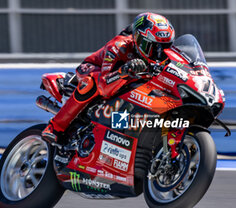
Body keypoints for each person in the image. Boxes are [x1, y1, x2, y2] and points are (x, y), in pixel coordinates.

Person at [42, 12, 175, 143]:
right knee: (91, 82)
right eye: (153, 47)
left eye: (164, 47)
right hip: (97, 70)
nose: (159, 53)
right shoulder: (118, 47)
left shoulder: (163, 58)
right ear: (139, 39)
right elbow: (104, 86)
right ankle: (55, 126)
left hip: (128, 83)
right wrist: (124, 71)